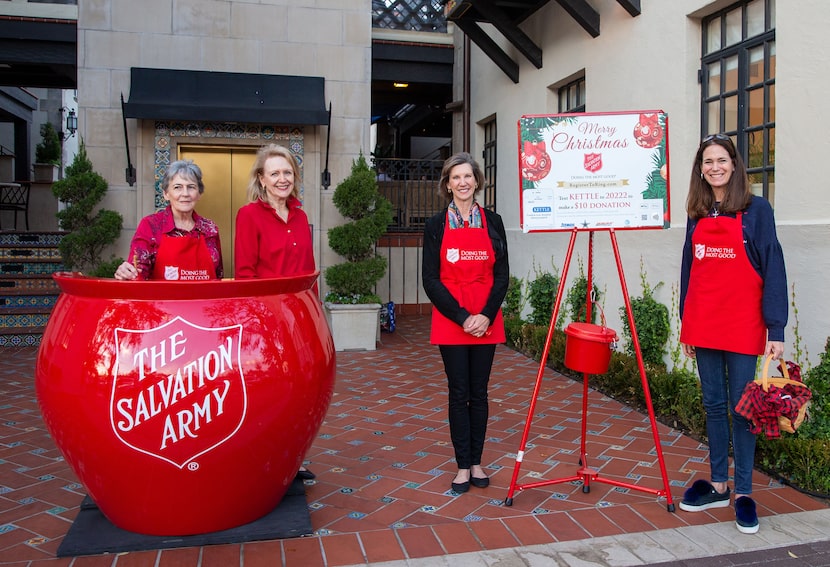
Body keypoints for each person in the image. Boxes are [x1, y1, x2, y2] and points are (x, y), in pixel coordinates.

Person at [678, 133, 788, 534]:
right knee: (712, 404)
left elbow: (773, 265)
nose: (714, 168)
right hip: (704, 321)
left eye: (720, 160)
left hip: (743, 323)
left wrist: (775, 326)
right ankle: (718, 485)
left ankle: (743, 493)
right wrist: (685, 324)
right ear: (700, 170)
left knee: (744, 409)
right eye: (707, 162)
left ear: (734, 164)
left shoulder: (757, 210)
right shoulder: (698, 211)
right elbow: (688, 269)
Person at [422, 152, 509, 494]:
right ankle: (461, 465)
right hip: (451, 317)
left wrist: (485, 314)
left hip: (486, 315)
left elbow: (502, 275)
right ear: (447, 184)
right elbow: (430, 279)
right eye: (455, 177)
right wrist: (462, 317)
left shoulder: (493, 221)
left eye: (468, 176)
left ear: (477, 181)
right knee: (459, 393)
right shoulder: (435, 226)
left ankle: (477, 461)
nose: (462, 182)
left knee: (480, 392)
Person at [234, 143, 316, 480]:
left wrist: (314, 315)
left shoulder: (301, 216)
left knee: (298, 395)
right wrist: (260, 322)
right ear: (262, 179)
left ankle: (290, 462)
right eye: (275, 173)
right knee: (266, 397)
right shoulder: (249, 215)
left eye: (287, 173)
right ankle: (261, 466)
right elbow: (245, 273)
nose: (282, 179)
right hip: (266, 323)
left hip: (298, 319)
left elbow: (308, 270)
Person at [114, 160, 223, 281]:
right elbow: (137, 272)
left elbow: (218, 275)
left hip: (204, 299)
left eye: (191, 187)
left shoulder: (210, 229)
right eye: (177, 187)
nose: (185, 193)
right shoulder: (151, 225)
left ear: (199, 194)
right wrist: (127, 272)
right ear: (166, 194)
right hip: (163, 299)